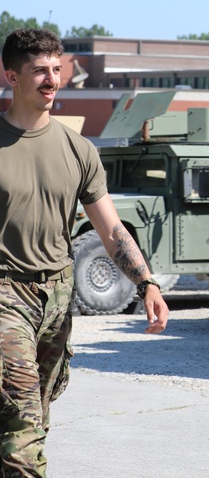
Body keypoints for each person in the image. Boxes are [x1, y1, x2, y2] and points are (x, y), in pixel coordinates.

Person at [0, 29, 169, 476]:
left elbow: (111, 227)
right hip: (3, 294)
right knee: (22, 420)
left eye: (57, 69)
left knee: (35, 414)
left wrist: (146, 282)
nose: (51, 79)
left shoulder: (78, 149)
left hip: (56, 299)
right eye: (39, 70)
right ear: (11, 76)